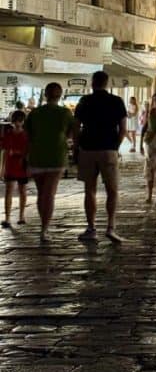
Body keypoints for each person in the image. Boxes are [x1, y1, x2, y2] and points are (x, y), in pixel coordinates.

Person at [72, 71, 128, 244]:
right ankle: (111, 227)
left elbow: (76, 127)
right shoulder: (116, 101)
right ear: (107, 83)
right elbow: (123, 129)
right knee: (112, 190)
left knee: (90, 190)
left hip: (88, 148)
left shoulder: (84, 101)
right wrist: (115, 146)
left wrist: (76, 147)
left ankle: (91, 228)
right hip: (108, 149)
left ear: (92, 83)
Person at [25, 83, 74, 243]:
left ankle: (43, 226)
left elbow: (28, 135)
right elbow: (71, 133)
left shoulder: (35, 113)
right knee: (49, 194)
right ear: (60, 96)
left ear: (45, 95)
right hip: (56, 157)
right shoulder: (65, 113)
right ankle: (44, 229)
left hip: (37, 156)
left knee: (41, 193)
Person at [1, 109, 28, 228]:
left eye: (20, 121)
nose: (18, 123)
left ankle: (21, 216)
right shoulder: (9, 134)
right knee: (9, 191)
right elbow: (5, 151)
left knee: (22, 191)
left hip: (22, 165)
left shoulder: (26, 135)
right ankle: (7, 217)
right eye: (16, 121)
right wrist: (2, 168)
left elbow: (28, 151)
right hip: (11, 165)